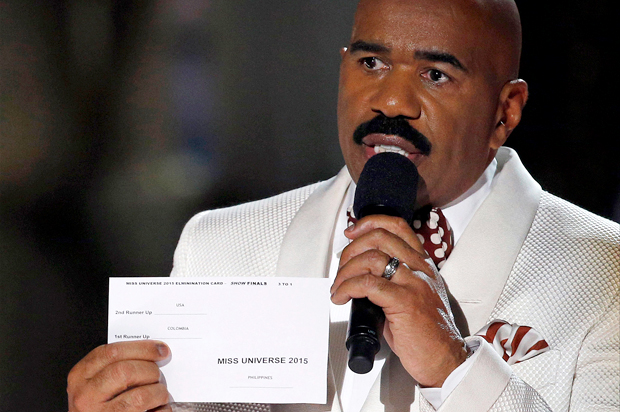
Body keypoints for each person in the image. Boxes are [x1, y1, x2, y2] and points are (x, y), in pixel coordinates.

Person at [67, 0, 620, 411]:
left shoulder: (603, 271)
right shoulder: (220, 244)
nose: (392, 101)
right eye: (372, 64)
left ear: (505, 111)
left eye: (435, 74)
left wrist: (455, 367)